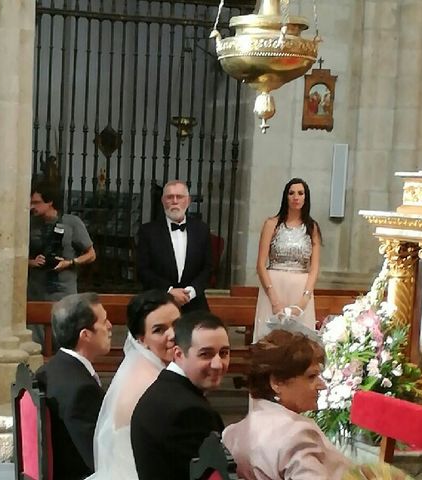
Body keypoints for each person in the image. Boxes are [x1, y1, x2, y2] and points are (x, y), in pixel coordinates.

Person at [222, 329, 352, 480]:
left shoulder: (231, 434)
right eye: (311, 377)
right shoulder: (296, 433)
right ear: (277, 382)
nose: (321, 385)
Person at [88, 290, 180, 480]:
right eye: (159, 330)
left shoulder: (143, 367)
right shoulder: (153, 384)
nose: (172, 335)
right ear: (141, 339)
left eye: (177, 324)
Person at [130, 310, 230, 480]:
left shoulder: (164, 388)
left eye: (224, 353)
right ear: (179, 354)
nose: (218, 364)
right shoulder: (189, 412)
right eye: (205, 354)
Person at [35, 293, 112, 480]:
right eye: (104, 321)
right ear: (85, 335)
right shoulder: (81, 389)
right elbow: (98, 458)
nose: (110, 326)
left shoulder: (49, 369)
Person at [253, 177, 321, 342]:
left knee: (299, 343)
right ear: (286, 197)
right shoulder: (272, 224)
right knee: (271, 340)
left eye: (300, 193)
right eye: (291, 193)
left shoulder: (312, 228)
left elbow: (314, 268)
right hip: (273, 288)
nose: (296, 197)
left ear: (306, 197)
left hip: (300, 291)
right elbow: (261, 265)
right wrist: (274, 299)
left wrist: (304, 299)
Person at [137, 180, 212, 313]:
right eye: (170, 197)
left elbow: (208, 267)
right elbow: (143, 270)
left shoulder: (202, 230)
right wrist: (169, 291)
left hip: (195, 305)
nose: (174, 201)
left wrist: (191, 292)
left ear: (188, 201)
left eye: (179, 197)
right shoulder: (147, 231)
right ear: (162, 200)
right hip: (158, 304)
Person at [28, 181, 96, 302]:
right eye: (31, 202)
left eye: (36, 203)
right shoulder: (30, 224)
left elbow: (91, 255)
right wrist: (31, 262)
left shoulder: (71, 222)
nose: (32, 207)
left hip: (64, 292)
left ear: (50, 202)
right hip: (36, 291)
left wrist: (70, 263)